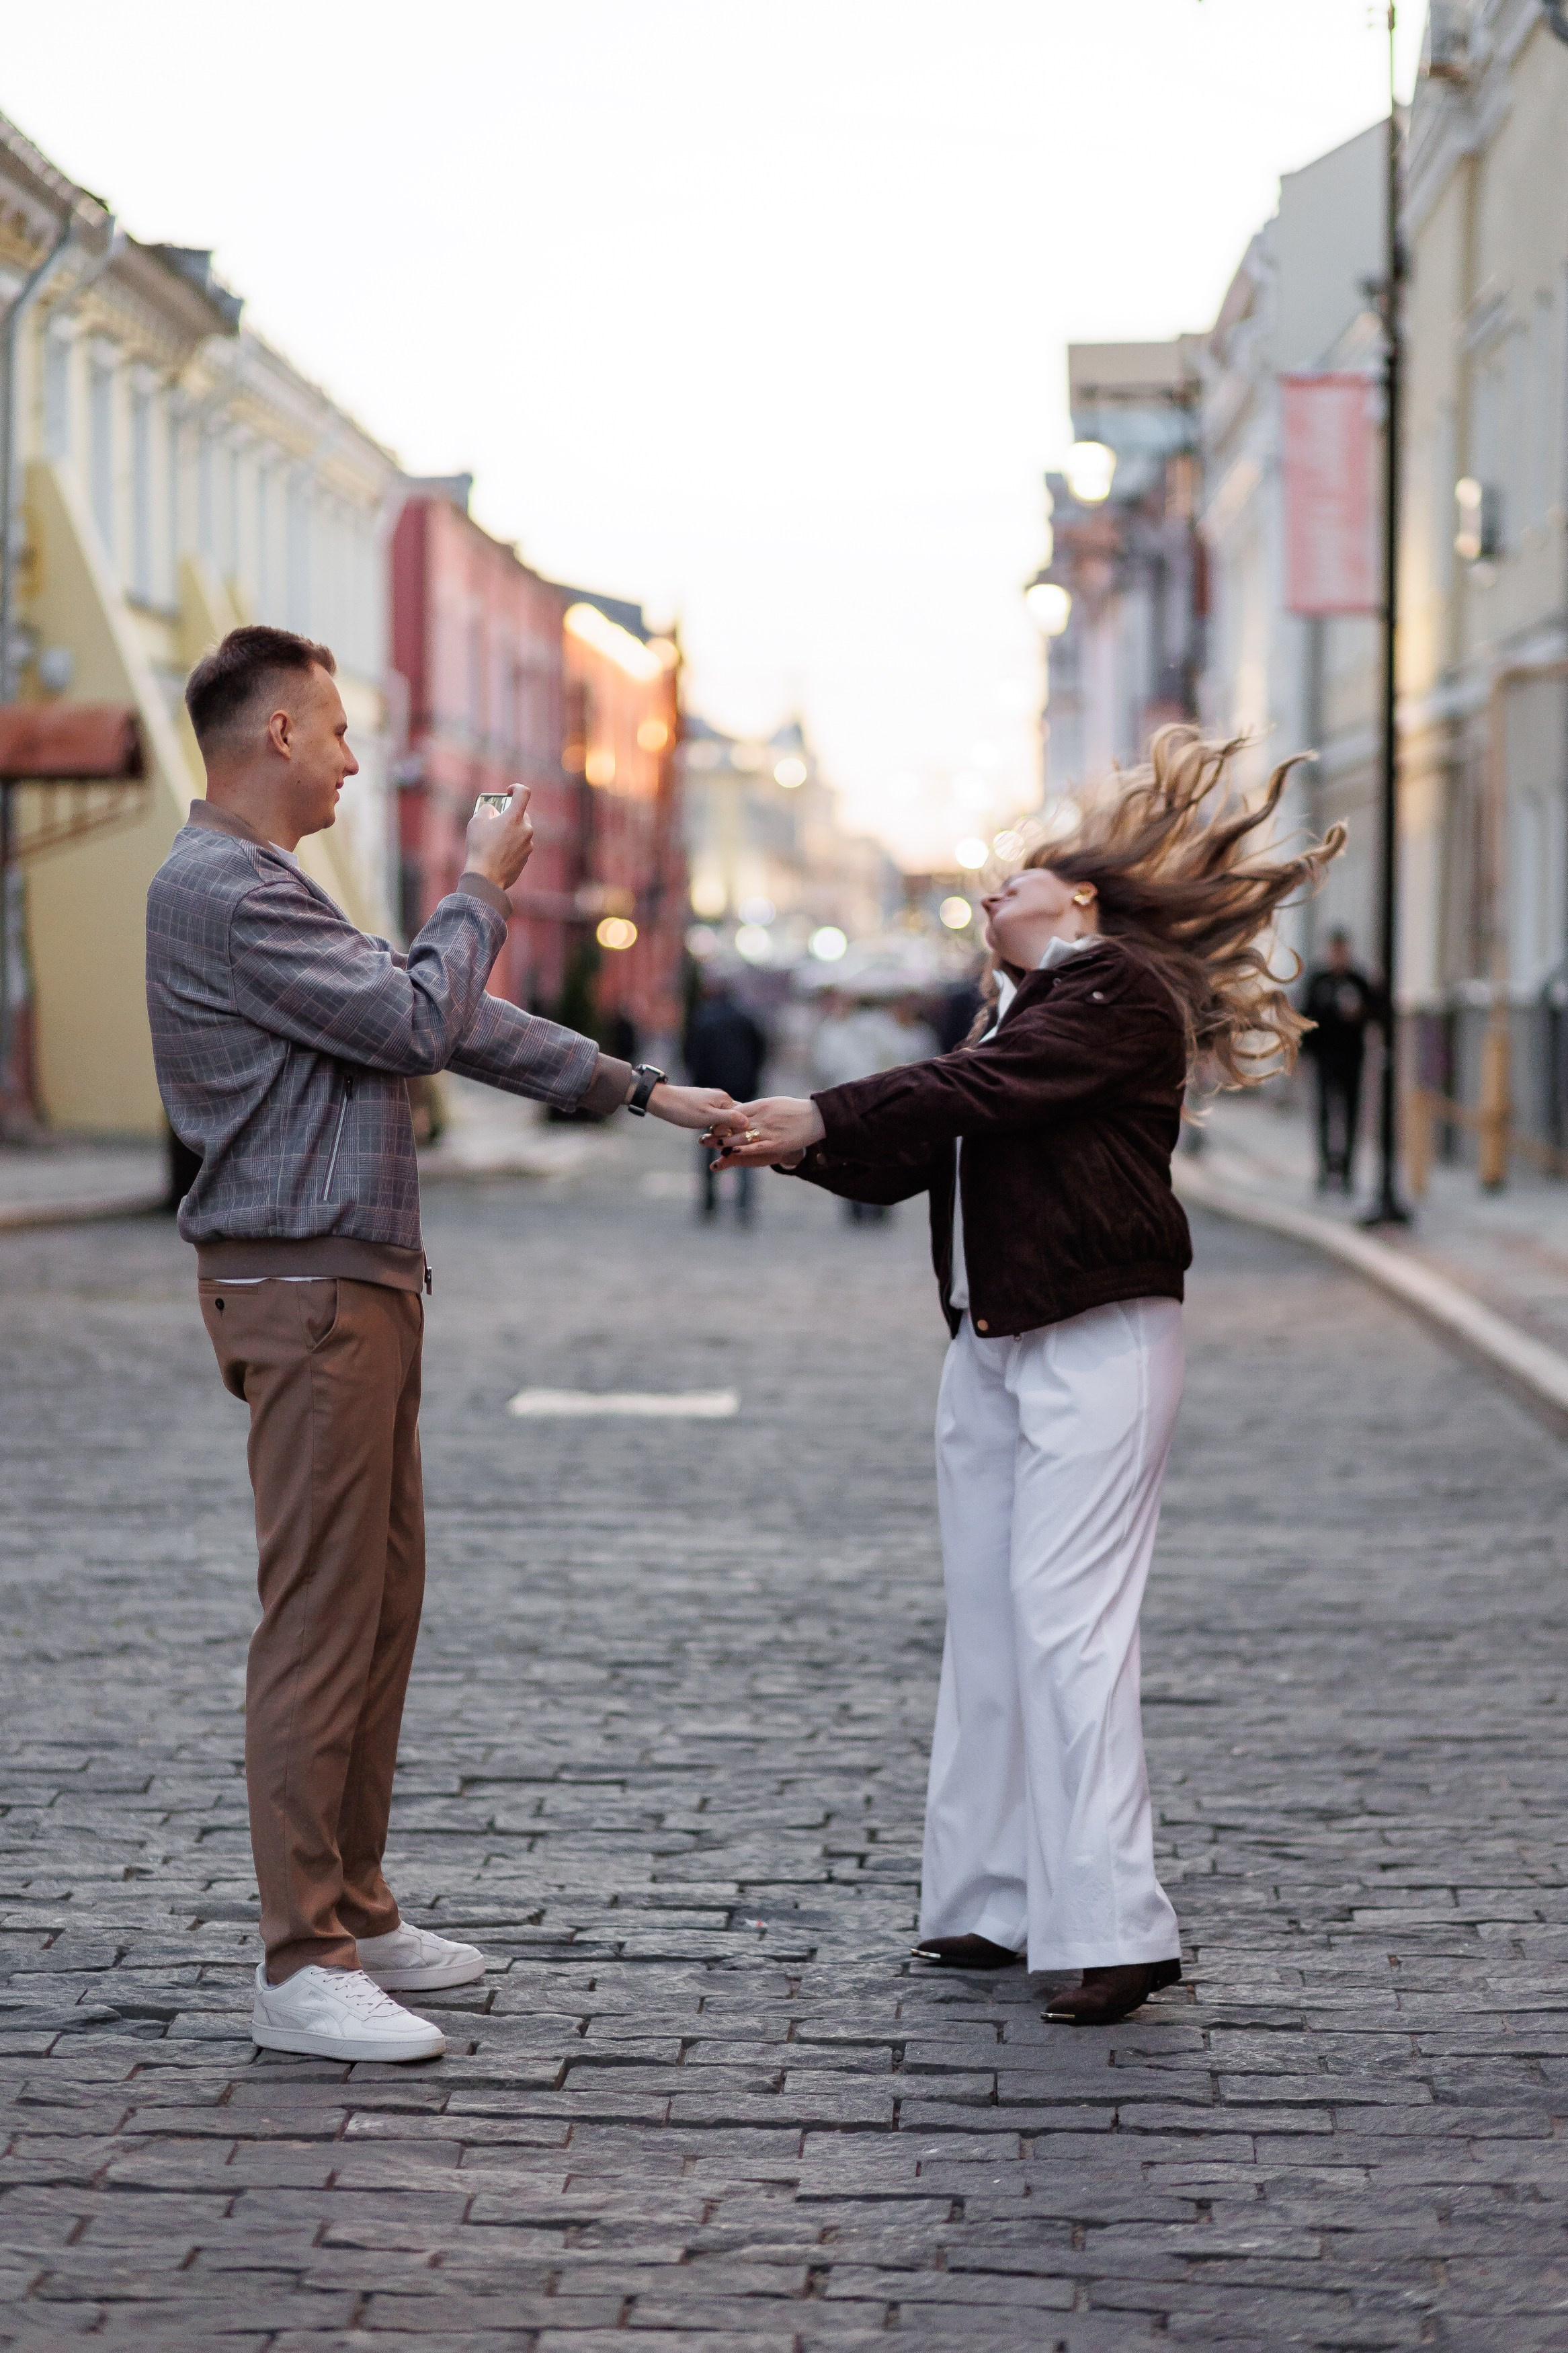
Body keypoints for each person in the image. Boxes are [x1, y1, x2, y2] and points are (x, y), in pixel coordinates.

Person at [146, 625, 737, 2067]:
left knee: (381, 1605)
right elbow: (421, 1015)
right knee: (321, 1619)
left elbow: (445, 1014)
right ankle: (303, 1959)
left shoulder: (278, 887)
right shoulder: (223, 889)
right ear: (277, 734)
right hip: (306, 1289)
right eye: (338, 730)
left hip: (355, 1283)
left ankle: (354, 1900)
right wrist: (480, 882)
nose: (358, 755)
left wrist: (639, 1089)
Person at [714, 729, 1343, 2025]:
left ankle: (1115, 1925)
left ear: (1084, 901)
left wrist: (821, 1111)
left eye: (1014, 881)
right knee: (991, 1628)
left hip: (1095, 1336)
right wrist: (773, 1135)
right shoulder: (1011, 1007)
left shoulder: (1112, 991)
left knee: (1066, 1625)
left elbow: (981, 1093)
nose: (988, 895)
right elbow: (916, 1148)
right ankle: (989, 1898)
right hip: (991, 1341)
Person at [684, 967, 768, 1221]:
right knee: (746, 1145)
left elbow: (690, 1053)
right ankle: (743, 1203)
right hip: (743, 1092)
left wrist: (695, 1086)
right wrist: (752, 1080)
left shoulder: (703, 1018)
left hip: (708, 1094)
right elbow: (761, 1052)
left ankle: (709, 1201)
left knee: (709, 1145)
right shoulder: (746, 1018)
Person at [1300, 929, 1378, 1193]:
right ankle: (1323, 1169)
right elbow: (1306, 1018)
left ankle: (1347, 1171)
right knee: (1323, 1113)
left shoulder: (1358, 980)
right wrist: (1304, 1055)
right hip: (1325, 1058)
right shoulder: (1318, 980)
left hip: (1351, 1057)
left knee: (1350, 1115)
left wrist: (1358, 1013)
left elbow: (1373, 1013)